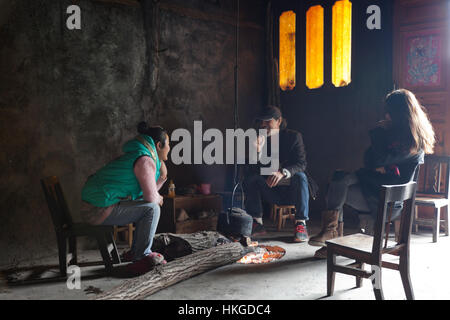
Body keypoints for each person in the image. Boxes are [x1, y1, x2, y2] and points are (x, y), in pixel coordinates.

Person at [308, 89, 436, 258]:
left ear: (400, 112)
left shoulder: (413, 141)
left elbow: (378, 160)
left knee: (338, 189)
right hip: (373, 186)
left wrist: (379, 138)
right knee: (338, 181)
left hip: (387, 201)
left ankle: (332, 240)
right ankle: (331, 235)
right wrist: (381, 163)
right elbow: (369, 160)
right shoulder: (392, 134)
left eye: (390, 111)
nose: (387, 115)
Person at [80, 122, 171, 276]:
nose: (169, 148)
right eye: (168, 144)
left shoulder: (141, 156)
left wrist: (162, 177)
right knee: (153, 208)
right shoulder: (145, 161)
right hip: (96, 209)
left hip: (97, 204)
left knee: (149, 206)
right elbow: (150, 197)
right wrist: (159, 197)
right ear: (158, 145)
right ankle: (141, 257)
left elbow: (146, 193)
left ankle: (136, 252)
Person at [243, 106, 310, 242]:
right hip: (272, 191)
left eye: (268, 121)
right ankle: (257, 224)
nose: (263, 125)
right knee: (250, 178)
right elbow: (254, 170)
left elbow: (301, 164)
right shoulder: (261, 140)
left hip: (292, 190)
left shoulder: (293, 137)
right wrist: (257, 151)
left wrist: (283, 173)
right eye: (262, 122)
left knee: (301, 176)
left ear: (278, 121)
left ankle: (301, 225)